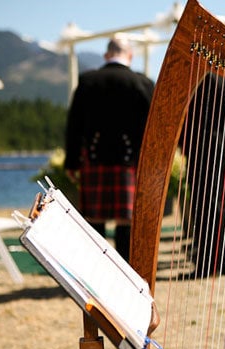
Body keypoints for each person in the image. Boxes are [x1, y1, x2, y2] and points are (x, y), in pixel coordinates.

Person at [64, 36, 154, 261]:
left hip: (94, 158)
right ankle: (126, 270)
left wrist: (72, 161)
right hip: (130, 162)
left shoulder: (87, 81)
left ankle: (97, 270)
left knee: (94, 218)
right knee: (127, 219)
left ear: (106, 55)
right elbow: (154, 128)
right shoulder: (141, 83)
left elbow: (74, 125)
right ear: (130, 56)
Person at [179, 73, 225, 279]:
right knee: (222, 202)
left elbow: (186, 117)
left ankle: (207, 264)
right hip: (223, 147)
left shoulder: (200, 79)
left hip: (201, 148)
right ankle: (222, 262)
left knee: (205, 204)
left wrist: (184, 145)